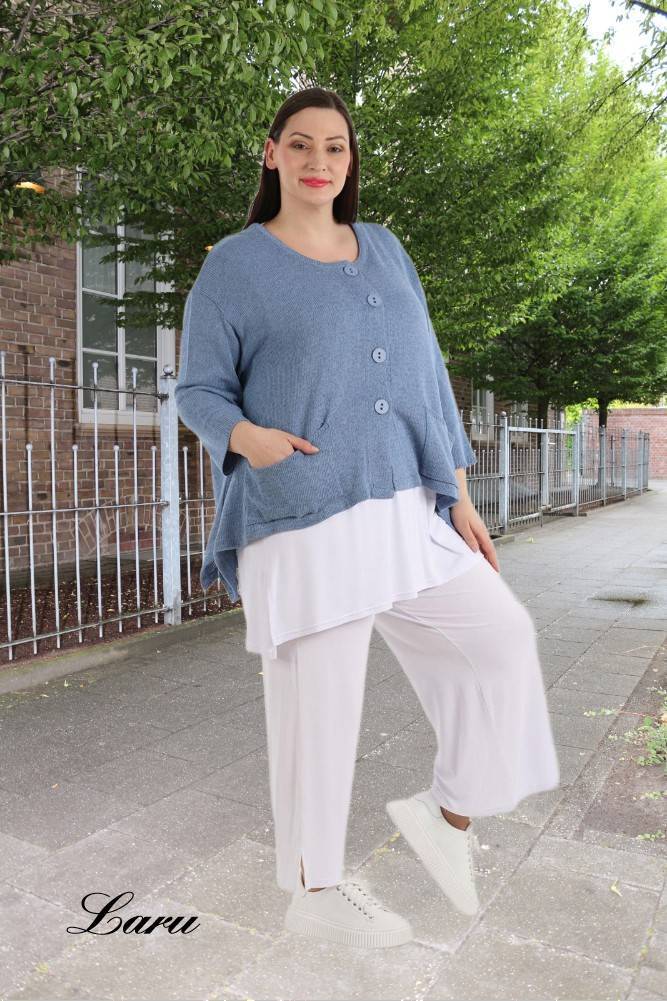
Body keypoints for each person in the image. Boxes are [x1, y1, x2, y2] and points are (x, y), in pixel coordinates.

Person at [175, 86, 560, 950]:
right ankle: (314, 888)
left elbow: (426, 375)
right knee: (319, 709)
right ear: (271, 154)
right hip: (301, 511)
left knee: (499, 636)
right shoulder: (235, 265)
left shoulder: (384, 248)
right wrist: (247, 438)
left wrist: (456, 493)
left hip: (404, 502)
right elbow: (198, 388)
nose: (319, 162)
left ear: (350, 161)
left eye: (335, 147)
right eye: (301, 144)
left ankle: (447, 813)